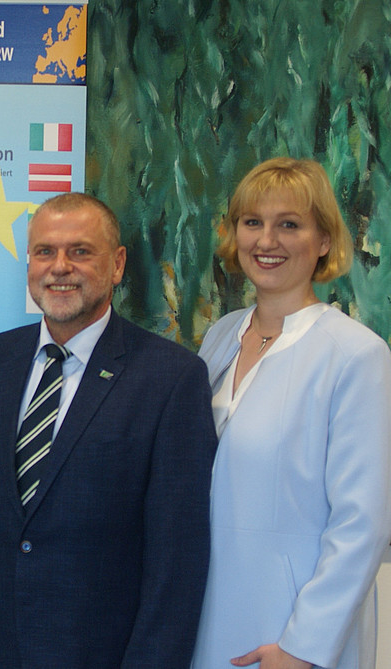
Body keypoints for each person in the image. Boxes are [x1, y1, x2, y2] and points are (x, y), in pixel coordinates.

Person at [0, 192, 218, 668]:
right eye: (44, 251)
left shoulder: (171, 379)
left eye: (80, 251)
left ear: (117, 265)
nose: (59, 267)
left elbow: (176, 566)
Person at [191, 158, 391, 669]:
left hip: (289, 633)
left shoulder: (355, 355)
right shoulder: (219, 338)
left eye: (289, 224)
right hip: (205, 612)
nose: (266, 240)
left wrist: (304, 645)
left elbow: (362, 522)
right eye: (252, 222)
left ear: (324, 240)